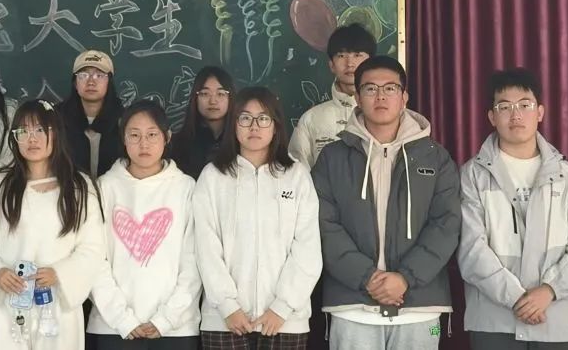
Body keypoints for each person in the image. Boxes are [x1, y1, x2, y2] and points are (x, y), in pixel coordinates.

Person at [311, 55, 460, 350]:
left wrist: (405, 278)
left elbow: (447, 224)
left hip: (421, 309)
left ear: (404, 97)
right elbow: (324, 225)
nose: (380, 96)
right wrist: (367, 277)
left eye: (390, 88)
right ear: (357, 98)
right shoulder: (332, 158)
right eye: (370, 88)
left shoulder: (436, 157)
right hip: (352, 308)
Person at [458, 69, 568, 350]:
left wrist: (549, 291)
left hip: (556, 321)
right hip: (494, 322)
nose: (515, 115)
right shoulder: (472, 176)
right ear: (492, 117)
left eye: (525, 105)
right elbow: (471, 250)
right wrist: (516, 298)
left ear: (540, 112)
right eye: (505, 107)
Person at [0, 99, 106, 350]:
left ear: (56, 134)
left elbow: (93, 247)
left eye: (40, 129)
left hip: (57, 309)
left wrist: (60, 274)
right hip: (9, 307)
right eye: (23, 131)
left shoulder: (79, 188)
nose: (32, 138)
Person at [194, 87, 322, 350]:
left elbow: (308, 248)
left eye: (263, 118)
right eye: (245, 118)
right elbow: (205, 246)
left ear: (275, 126)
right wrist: (228, 306)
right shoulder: (213, 176)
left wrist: (282, 307)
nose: (254, 126)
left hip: (285, 321)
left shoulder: (297, 176)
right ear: (233, 125)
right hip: (225, 320)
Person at [88, 100, 201, 349]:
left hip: (176, 328)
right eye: (134, 135)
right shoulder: (104, 187)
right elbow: (93, 258)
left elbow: (194, 260)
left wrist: (166, 318)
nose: (144, 144)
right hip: (112, 327)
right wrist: (121, 318)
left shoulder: (185, 187)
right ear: (123, 139)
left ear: (167, 137)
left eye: (152, 135)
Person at [288, 24, 375, 169]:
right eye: (341, 56)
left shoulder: (385, 115)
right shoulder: (311, 119)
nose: (350, 63)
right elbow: (297, 175)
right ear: (331, 65)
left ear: (371, 62)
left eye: (357, 55)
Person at [59, 49, 124, 179]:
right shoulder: (56, 118)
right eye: (83, 75)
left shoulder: (125, 119)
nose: (91, 82)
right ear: (75, 83)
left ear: (109, 82)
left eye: (99, 75)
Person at [170, 67, 235, 179]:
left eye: (220, 94)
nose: (213, 101)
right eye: (205, 94)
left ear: (231, 97)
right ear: (195, 98)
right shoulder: (178, 145)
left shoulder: (242, 142)